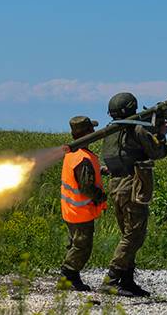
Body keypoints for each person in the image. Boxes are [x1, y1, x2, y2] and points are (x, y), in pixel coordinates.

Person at [99, 92, 167, 297]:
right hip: (133, 186)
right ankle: (111, 279)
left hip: (116, 185)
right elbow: (157, 152)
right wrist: (162, 133)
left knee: (128, 233)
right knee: (134, 235)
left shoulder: (111, 131)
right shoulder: (137, 129)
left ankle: (127, 280)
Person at [60, 116, 107, 291]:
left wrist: (100, 171)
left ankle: (71, 276)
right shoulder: (83, 158)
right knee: (82, 247)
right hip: (81, 212)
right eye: (91, 130)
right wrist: (101, 196)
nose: (94, 133)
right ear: (86, 134)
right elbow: (86, 187)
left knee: (75, 244)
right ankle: (68, 277)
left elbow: (79, 176)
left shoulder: (73, 154)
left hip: (71, 211)